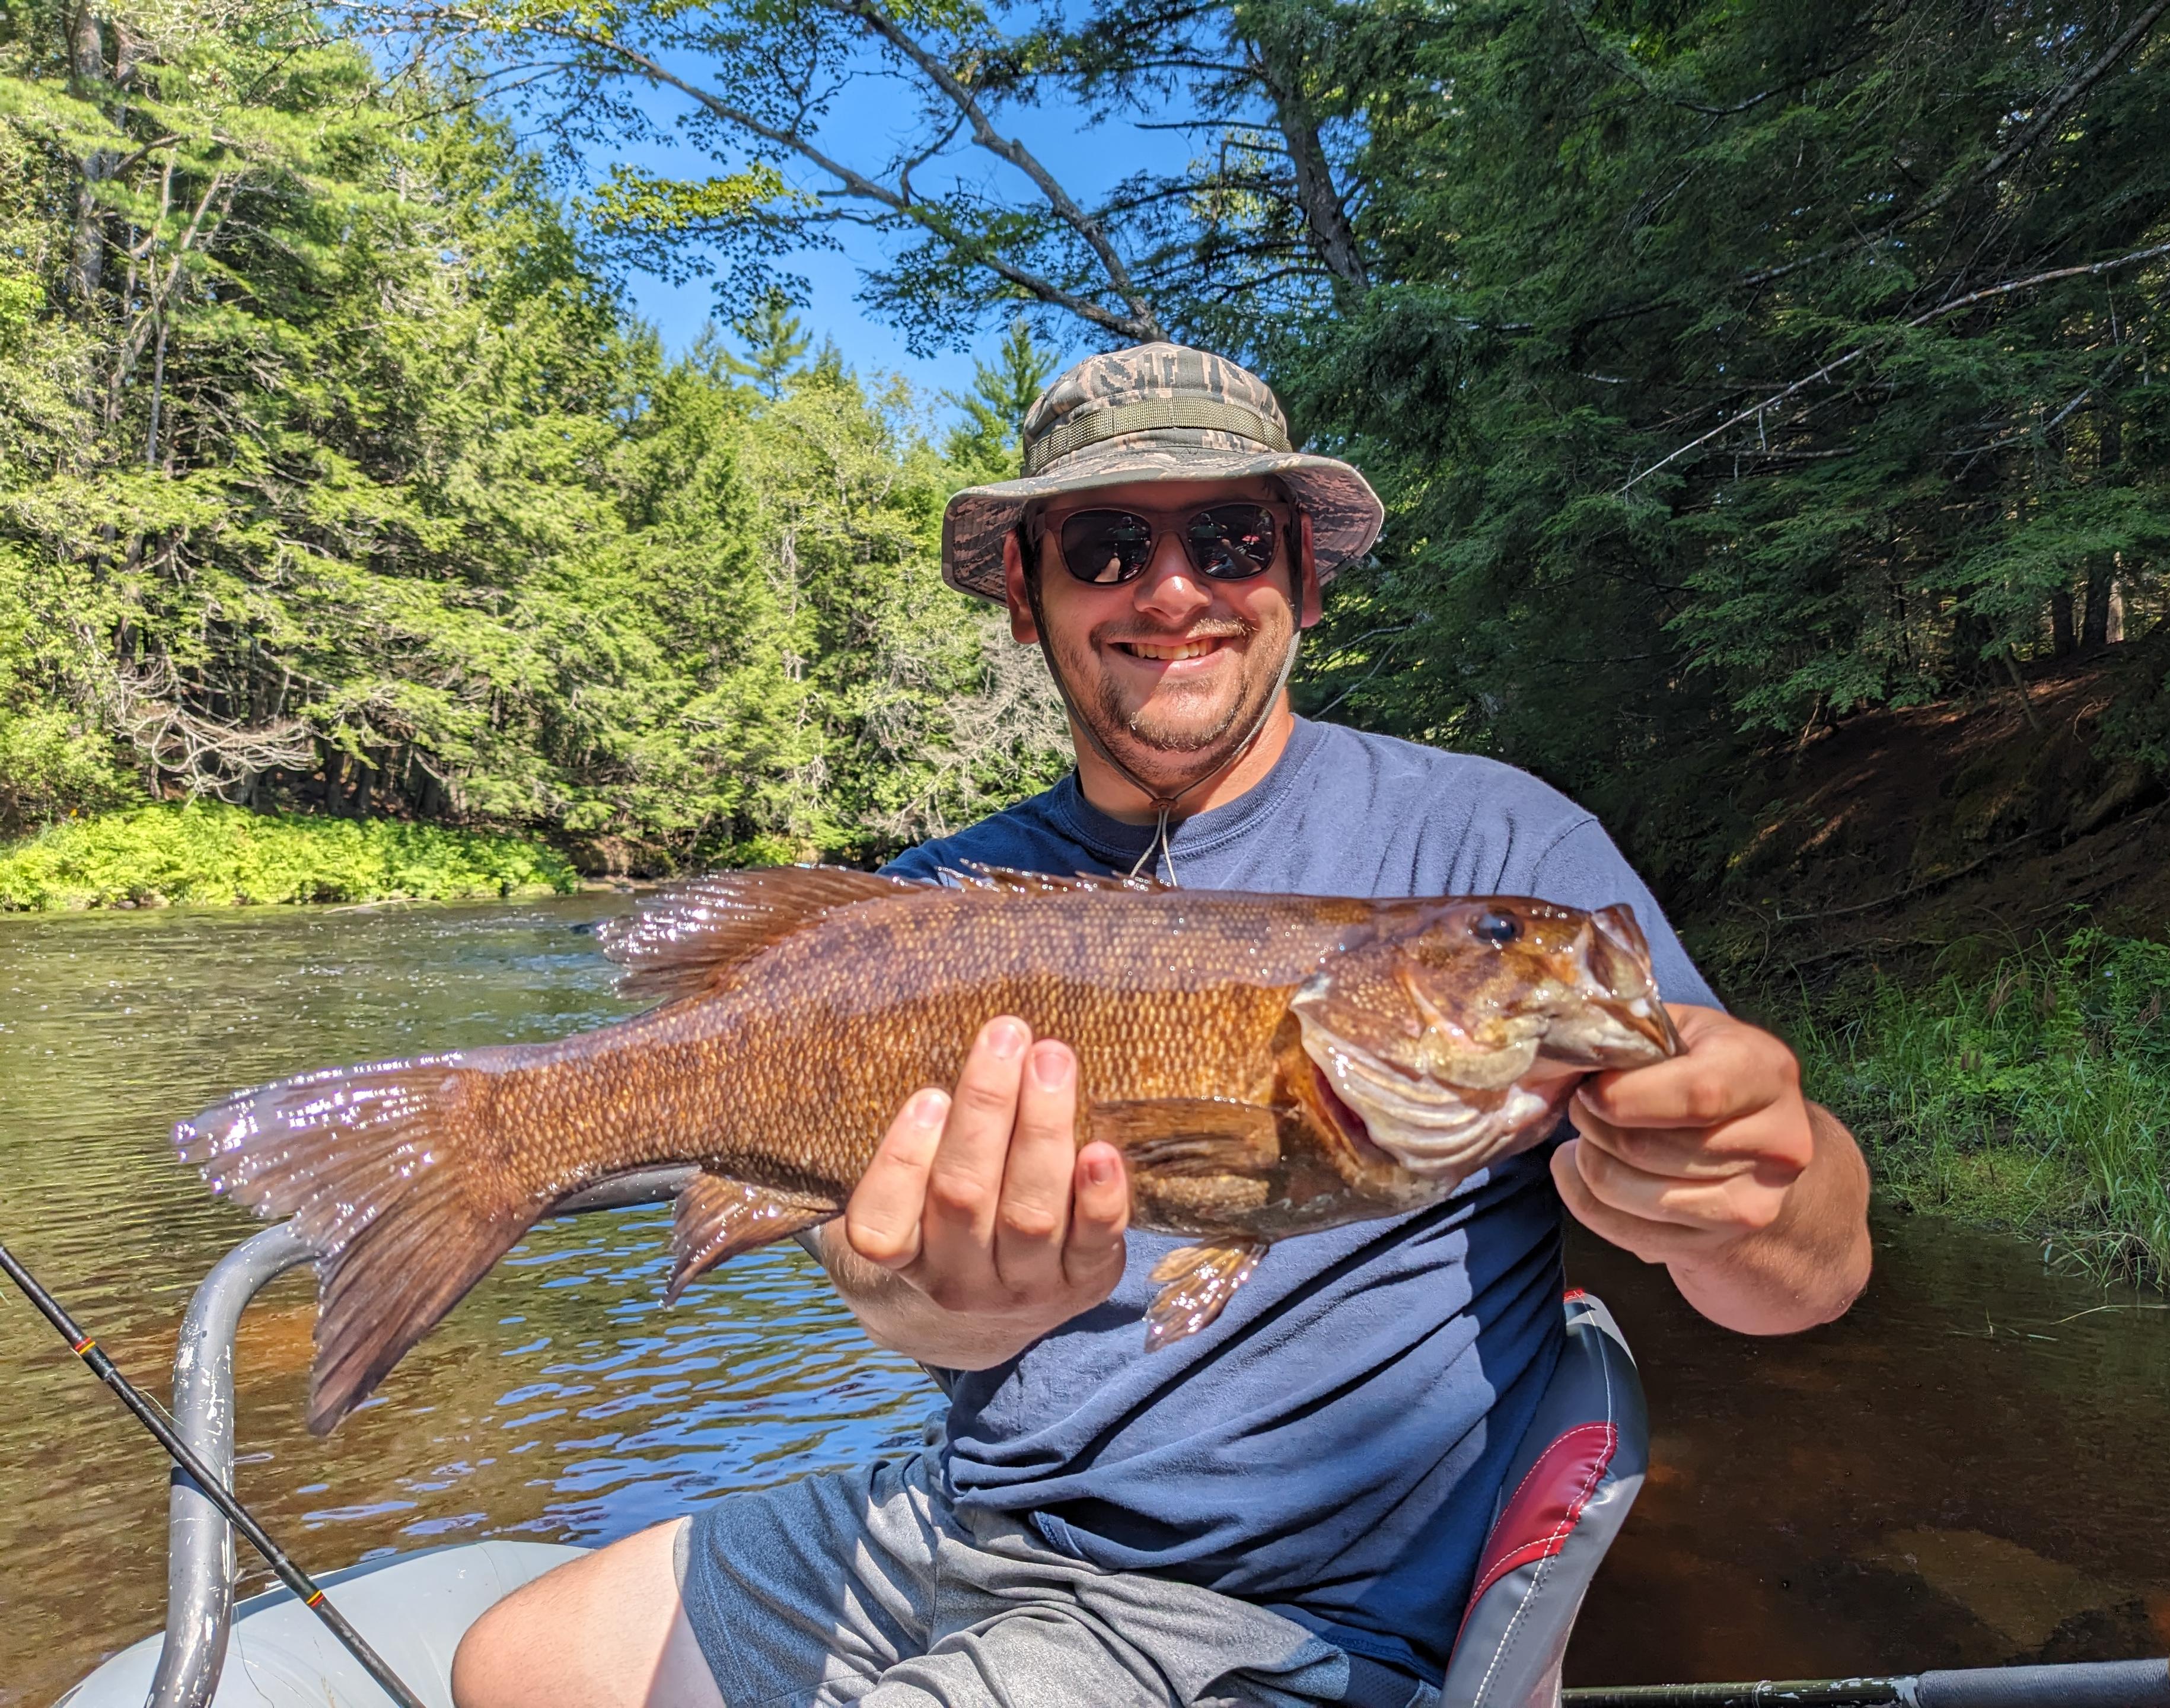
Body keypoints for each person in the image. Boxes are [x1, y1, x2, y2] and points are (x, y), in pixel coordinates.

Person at [452, 343, 1872, 1708]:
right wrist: (939, 1307)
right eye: (1109, 547)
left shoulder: (1494, 850)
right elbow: (880, 1289)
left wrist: (1756, 1185)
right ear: (1026, 595)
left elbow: (1802, 1282)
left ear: (1304, 578)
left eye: (1235, 542)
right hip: (967, 1525)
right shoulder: (925, 902)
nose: (1177, 590)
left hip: (1260, 1620)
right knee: (514, 1664)